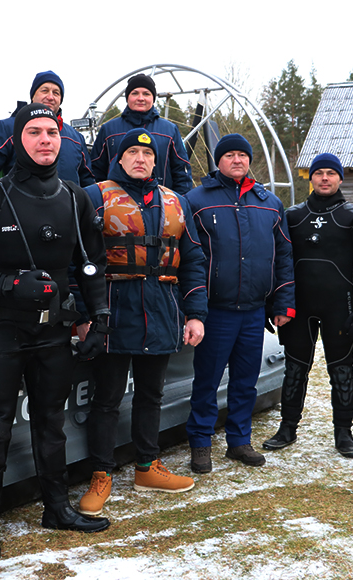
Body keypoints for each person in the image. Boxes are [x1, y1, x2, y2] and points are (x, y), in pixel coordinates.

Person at [0, 103, 112, 564]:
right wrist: (4, 283)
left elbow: (92, 264)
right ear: (18, 140)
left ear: (62, 139)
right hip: (3, 332)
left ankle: (56, 509)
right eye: (34, 132)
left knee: (51, 424)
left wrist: (100, 319)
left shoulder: (76, 198)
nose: (45, 140)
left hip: (53, 332)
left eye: (52, 132)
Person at [77, 128, 208, 517]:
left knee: (152, 394)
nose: (140, 159)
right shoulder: (95, 196)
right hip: (112, 310)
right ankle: (101, 474)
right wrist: (83, 318)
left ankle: (147, 466)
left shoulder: (176, 202)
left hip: (163, 310)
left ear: (156, 161)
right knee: (107, 399)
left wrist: (196, 313)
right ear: (119, 158)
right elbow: (75, 260)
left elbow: (195, 262)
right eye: (132, 152)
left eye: (147, 155)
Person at [184, 133, 295, 473]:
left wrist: (283, 304)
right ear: (218, 161)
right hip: (215, 312)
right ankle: (201, 444)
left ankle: (239, 441)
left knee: (246, 382)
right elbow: (189, 258)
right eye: (229, 154)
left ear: (249, 160)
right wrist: (194, 309)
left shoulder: (270, 204)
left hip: (253, 312)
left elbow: (284, 257)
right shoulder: (196, 200)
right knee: (206, 382)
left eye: (242, 155)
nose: (237, 160)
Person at [262, 153, 353, 458]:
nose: (325, 178)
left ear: (340, 178)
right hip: (298, 308)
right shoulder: (292, 216)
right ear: (310, 178)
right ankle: (287, 428)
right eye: (319, 173)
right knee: (294, 370)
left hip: (338, 307)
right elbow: (274, 261)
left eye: (331, 173)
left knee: (341, 371)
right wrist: (272, 301)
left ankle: (344, 433)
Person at [0, 71, 94, 209]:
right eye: (44, 90)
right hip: (21, 217)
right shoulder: (9, 128)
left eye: (56, 93)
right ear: (33, 95)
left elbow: (88, 183)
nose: (50, 97)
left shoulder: (75, 138)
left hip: (69, 219)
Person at [90, 73, 193, 194]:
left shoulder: (169, 130)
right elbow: (95, 171)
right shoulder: (109, 130)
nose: (140, 98)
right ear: (127, 97)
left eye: (146, 94)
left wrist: (179, 203)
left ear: (153, 98)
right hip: (117, 204)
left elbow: (181, 172)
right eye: (135, 93)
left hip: (160, 204)